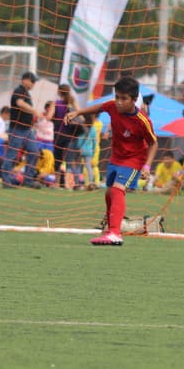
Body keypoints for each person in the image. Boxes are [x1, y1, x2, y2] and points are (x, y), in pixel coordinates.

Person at [64, 75, 157, 246]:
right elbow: (99, 107)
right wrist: (77, 112)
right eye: (117, 97)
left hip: (134, 160)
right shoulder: (113, 107)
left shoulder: (143, 121)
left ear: (134, 100)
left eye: (124, 99)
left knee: (117, 190)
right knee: (109, 193)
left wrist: (147, 165)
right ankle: (110, 226)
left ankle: (115, 233)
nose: (119, 102)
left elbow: (153, 143)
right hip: (116, 158)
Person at [3, 71, 44, 188]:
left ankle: (28, 180)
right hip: (17, 129)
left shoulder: (26, 93)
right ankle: (6, 182)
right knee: (12, 155)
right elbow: (20, 103)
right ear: (24, 80)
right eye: (32, 81)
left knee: (34, 152)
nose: (34, 84)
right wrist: (34, 111)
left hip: (27, 130)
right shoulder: (19, 90)